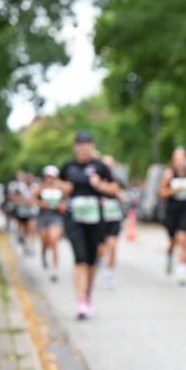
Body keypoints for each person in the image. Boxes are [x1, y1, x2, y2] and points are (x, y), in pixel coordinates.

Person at [60, 131, 118, 319]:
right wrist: (63, 188)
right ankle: (81, 303)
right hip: (74, 219)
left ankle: (87, 294)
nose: (84, 148)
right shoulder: (68, 167)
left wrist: (100, 185)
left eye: (87, 144)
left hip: (95, 220)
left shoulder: (99, 166)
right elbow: (58, 186)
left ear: (91, 146)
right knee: (80, 260)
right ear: (75, 147)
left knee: (92, 262)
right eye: (80, 144)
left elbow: (115, 189)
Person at [158, 147, 186, 286]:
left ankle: (182, 273)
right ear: (173, 160)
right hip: (172, 211)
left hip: (185, 210)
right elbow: (161, 193)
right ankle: (169, 256)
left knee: (183, 239)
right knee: (173, 242)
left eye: (182, 159)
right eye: (177, 159)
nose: (180, 162)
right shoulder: (169, 174)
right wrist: (173, 190)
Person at [35, 165, 67, 282]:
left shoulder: (60, 188)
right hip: (43, 216)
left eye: (52, 176)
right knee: (45, 241)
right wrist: (41, 203)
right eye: (48, 176)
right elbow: (31, 199)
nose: (50, 179)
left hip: (56, 216)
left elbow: (66, 200)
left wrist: (62, 205)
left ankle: (55, 270)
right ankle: (43, 255)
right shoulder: (40, 187)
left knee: (53, 240)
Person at [98, 155, 125, 289]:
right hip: (100, 219)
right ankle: (100, 262)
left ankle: (110, 274)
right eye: (105, 165)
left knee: (113, 245)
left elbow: (121, 194)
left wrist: (119, 196)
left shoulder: (117, 180)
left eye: (110, 165)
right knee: (101, 249)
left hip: (114, 217)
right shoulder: (95, 180)